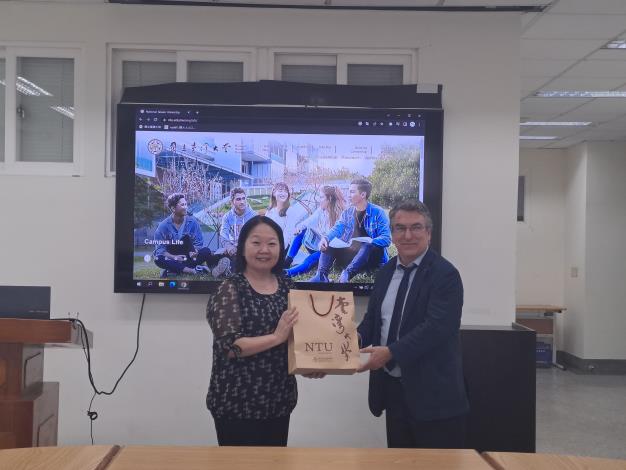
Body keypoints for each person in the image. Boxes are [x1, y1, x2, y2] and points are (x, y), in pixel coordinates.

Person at [357, 200, 469, 449]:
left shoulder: (445, 275)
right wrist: (349, 342)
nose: (407, 235)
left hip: (435, 399)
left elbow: (436, 329)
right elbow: (373, 320)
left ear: (428, 233)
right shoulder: (385, 272)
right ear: (392, 234)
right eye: (400, 228)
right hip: (394, 393)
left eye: (416, 227)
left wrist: (390, 353)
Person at [205, 216, 298, 446]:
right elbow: (230, 347)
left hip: (279, 401)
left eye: (272, 243)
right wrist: (276, 337)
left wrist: (313, 363)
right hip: (236, 404)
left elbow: (297, 340)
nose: (264, 250)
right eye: (256, 243)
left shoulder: (289, 287)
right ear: (243, 248)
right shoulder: (229, 288)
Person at [308, 179, 391, 283]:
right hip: (352, 256)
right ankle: (321, 275)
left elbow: (386, 239)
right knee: (329, 242)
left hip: (371, 258)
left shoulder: (378, 212)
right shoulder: (347, 212)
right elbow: (337, 229)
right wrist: (325, 238)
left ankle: (347, 274)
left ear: (363, 194)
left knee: (367, 245)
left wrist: (370, 241)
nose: (348, 194)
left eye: (352, 191)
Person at [153, 193, 229, 278]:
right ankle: (192, 270)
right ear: (173, 208)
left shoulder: (193, 222)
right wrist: (174, 257)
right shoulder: (163, 226)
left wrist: (195, 251)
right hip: (173, 257)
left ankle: (173, 270)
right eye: (182, 205)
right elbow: (160, 250)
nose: (186, 207)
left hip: (189, 257)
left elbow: (199, 243)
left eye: (186, 204)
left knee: (206, 250)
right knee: (158, 259)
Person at [284, 185, 346, 278]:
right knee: (302, 230)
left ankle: (287, 273)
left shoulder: (341, 214)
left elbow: (339, 239)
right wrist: (299, 227)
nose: (318, 199)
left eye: (321, 197)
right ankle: (287, 261)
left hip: (331, 251)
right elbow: (309, 221)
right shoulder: (321, 210)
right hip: (321, 244)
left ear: (329, 198)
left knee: (311, 259)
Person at [264, 182, 307, 250]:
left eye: (285, 191)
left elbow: (286, 238)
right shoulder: (269, 212)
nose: (283, 193)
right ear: (274, 193)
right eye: (280, 190)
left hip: (281, 249)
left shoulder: (290, 212)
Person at [219, 187, 256, 259]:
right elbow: (223, 236)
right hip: (233, 250)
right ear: (232, 201)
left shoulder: (254, 216)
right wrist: (229, 247)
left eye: (243, 198)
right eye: (238, 199)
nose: (242, 201)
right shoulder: (227, 217)